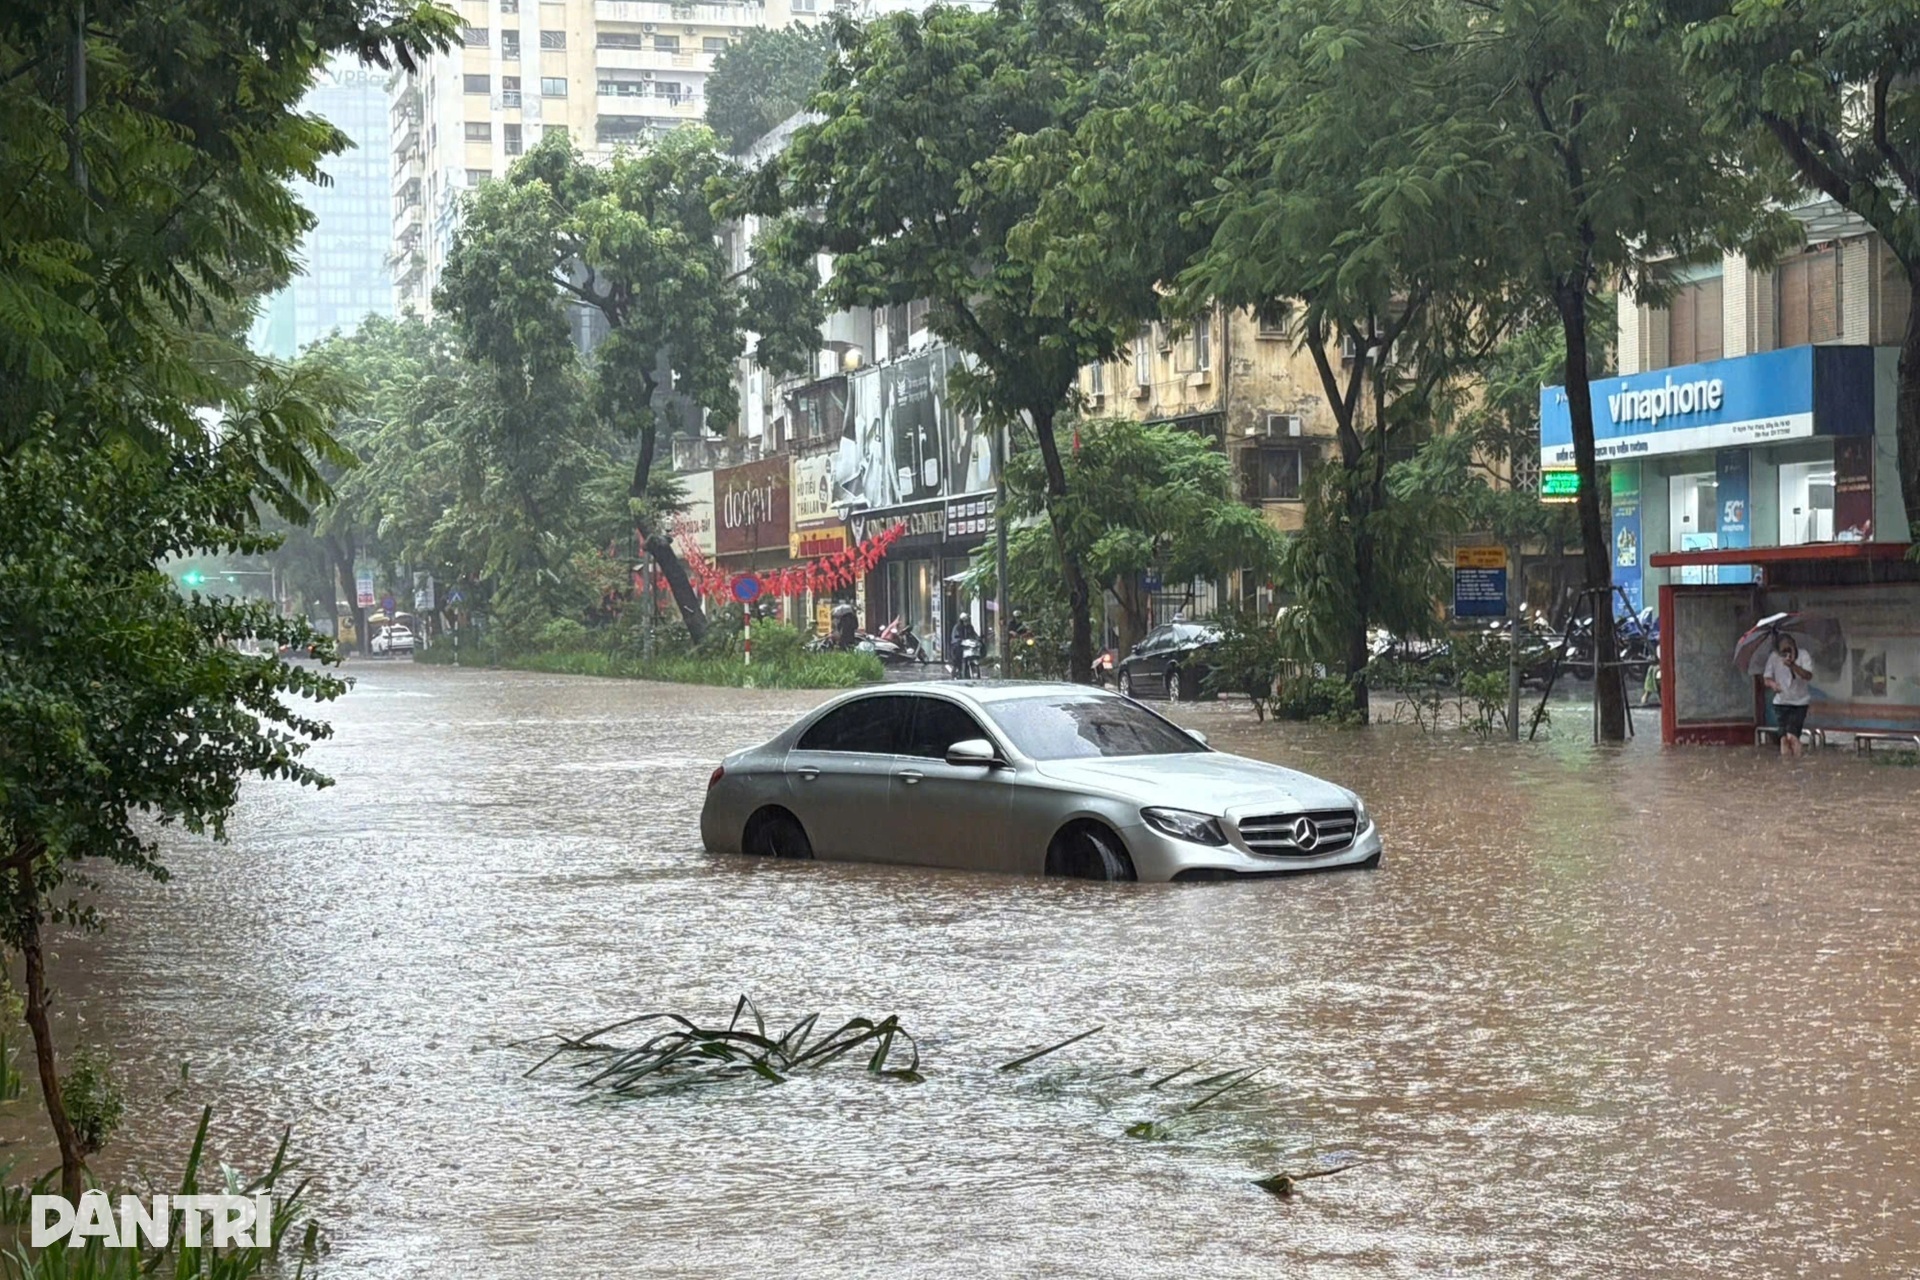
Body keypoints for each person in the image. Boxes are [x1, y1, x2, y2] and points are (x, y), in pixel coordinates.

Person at [1762, 634, 1813, 758]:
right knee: (1784, 739)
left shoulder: (1803, 655)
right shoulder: (1774, 657)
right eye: (1783, 651)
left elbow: (1808, 676)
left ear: (1794, 645)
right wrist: (1773, 685)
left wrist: (1792, 666)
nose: (1786, 653)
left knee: (1792, 737)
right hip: (1781, 703)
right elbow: (1766, 678)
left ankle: (1798, 761)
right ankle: (1787, 766)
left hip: (1799, 703)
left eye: (1789, 649)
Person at [949, 614, 979, 678]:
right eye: (965, 620)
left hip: (967, 646)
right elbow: (954, 637)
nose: (967, 621)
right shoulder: (957, 627)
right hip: (959, 646)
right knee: (957, 658)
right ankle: (957, 671)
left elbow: (974, 634)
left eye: (967, 620)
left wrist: (978, 639)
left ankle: (969, 671)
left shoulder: (970, 627)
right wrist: (959, 641)